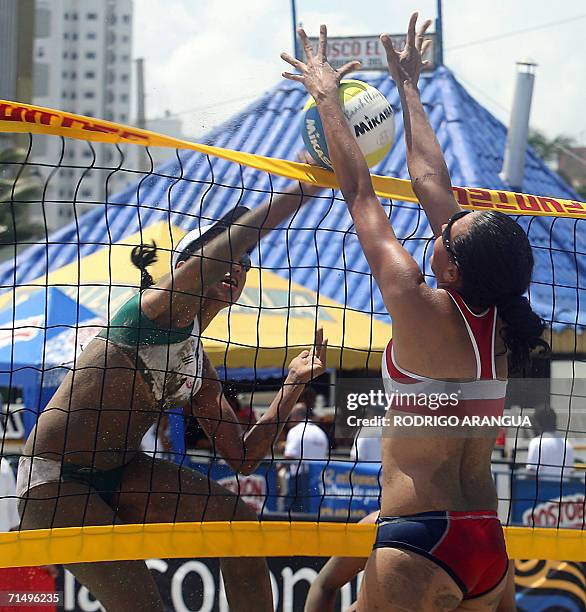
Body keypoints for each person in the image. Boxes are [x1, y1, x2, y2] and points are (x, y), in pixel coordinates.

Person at [282, 13, 547, 610]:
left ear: (451, 268)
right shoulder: (506, 319)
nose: (445, 220)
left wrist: (327, 97)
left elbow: (358, 190)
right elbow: (433, 182)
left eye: (450, 231)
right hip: (485, 544)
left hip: (416, 538)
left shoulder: (416, 300)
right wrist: (408, 85)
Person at [16, 179, 327, 612]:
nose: (236, 268)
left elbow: (242, 456)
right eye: (227, 258)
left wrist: (293, 384)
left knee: (239, 524)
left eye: (244, 264)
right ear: (192, 270)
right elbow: (218, 250)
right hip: (55, 480)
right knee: (142, 606)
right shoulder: (157, 307)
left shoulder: (196, 366)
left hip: (122, 471)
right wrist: (303, 190)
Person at [526, 407, 574, 478]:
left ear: (538, 423)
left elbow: (531, 474)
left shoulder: (536, 443)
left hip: (542, 488)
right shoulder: (567, 444)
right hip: (563, 488)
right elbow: (570, 473)